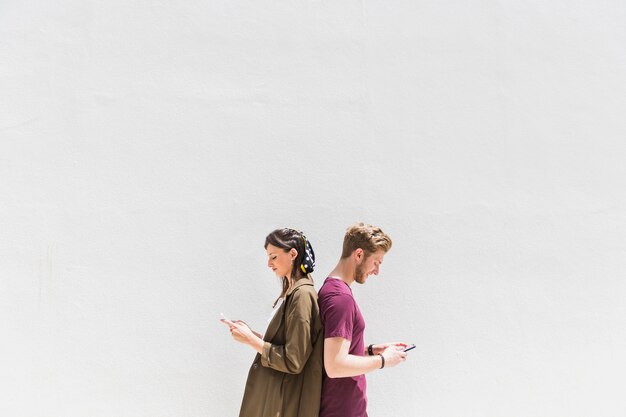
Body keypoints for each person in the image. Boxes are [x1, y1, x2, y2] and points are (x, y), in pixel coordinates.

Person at [221, 228, 324, 417]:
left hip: (282, 403)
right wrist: (250, 335)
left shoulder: (301, 295)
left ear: (292, 254)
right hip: (276, 397)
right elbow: (284, 343)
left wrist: (252, 341)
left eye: (274, 257)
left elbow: (294, 360)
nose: (269, 264)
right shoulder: (292, 292)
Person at [318, 222, 409, 417]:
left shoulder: (334, 291)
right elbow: (334, 365)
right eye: (376, 262)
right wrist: (383, 360)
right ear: (358, 254)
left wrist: (369, 350)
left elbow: (335, 349)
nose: (377, 271)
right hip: (342, 411)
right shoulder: (340, 298)